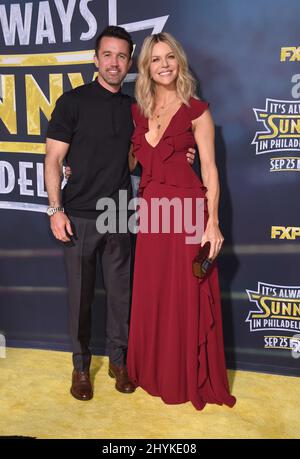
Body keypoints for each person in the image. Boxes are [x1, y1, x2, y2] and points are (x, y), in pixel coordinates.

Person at [44, 26, 195, 401]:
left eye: (121, 56)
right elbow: (53, 160)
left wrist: (180, 155)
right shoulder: (72, 102)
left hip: (119, 214)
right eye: (107, 55)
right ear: (96, 59)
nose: (114, 62)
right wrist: (54, 210)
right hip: (77, 214)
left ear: (129, 63)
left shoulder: (133, 108)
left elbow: (137, 158)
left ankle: (118, 361)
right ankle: (81, 368)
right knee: (80, 299)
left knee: (121, 296)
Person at [126, 32, 236, 410]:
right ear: (146, 68)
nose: (164, 65)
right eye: (156, 59)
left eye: (170, 57)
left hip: (188, 212)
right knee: (154, 295)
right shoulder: (137, 111)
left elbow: (209, 167)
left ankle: (183, 376)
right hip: (153, 214)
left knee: (184, 297)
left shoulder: (197, 110)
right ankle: (154, 371)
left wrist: (213, 222)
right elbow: (130, 161)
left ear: (179, 61)